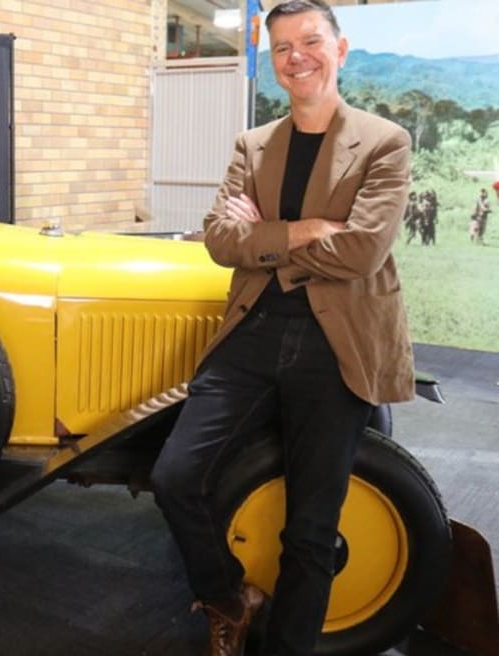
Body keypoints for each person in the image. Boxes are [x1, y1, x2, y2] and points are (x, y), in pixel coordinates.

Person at [150, 2, 414, 655]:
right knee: (174, 477)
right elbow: (219, 239)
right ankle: (226, 595)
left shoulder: (385, 141)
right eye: (284, 47)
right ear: (272, 60)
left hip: (339, 342)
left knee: (311, 529)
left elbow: (361, 253)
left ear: (340, 48)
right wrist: (306, 230)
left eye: (311, 41)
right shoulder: (253, 144)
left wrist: (263, 235)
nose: (298, 56)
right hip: (254, 330)